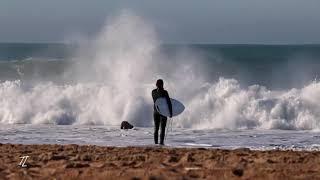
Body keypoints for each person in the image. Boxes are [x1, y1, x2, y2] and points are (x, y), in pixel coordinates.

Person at [152, 79, 173, 145]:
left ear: (156, 84)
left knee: (156, 128)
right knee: (162, 128)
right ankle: (161, 143)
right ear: (162, 84)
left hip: (155, 111)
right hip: (163, 112)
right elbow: (169, 103)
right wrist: (170, 112)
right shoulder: (165, 92)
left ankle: (155, 143)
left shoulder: (153, 92)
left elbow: (155, 101)